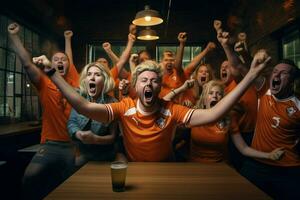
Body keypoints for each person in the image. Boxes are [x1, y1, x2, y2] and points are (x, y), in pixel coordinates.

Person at [40, 46, 270, 162]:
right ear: (136, 86)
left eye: (154, 81)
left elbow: (212, 114)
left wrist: (250, 76)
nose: (149, 84)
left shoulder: (171, 109)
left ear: (160, 87)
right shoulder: (124, 106)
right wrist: (52, 74)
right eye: (143, 80)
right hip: (133, 169)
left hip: (167, 168)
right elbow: (84, 107)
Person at [8, 23, 79, 199]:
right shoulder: (44, 83)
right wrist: (14, 36)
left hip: (74, 146)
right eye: (56, 60)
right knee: (29, 177)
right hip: (50, 145)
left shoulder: (75, 82)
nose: (60, 61)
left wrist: (67, 39)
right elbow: (26, 63)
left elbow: (68, 59)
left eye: (63, 60)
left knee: (74, 182)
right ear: (50, 64)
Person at [189, 80, 284, 162]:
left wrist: (268, 155)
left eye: (218, 94)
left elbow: (243, 148)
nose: (215, 96)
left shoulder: (228, 119)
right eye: (211, 93)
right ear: (204, 99)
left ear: (223, 101)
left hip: (221, 166)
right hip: (196, 165)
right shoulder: (194, 115)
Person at [216, 25, 259, 171]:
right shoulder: (220, 90)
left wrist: (226, 46)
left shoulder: (237, 81)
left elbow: (236, 68)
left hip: (252, 133)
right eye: (222, 67)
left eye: (226, 67)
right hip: (234, 134)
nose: (224, 69)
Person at [67, 62, 118, 166]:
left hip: (105, 156)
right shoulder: (79, 99)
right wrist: (78, 134)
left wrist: (95, 139)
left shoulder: (113, 103)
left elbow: (113, 137)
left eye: (97, 75)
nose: (92, 78)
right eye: (89, 74)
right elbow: (72, 123)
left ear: (105, 81)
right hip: (82, 153)